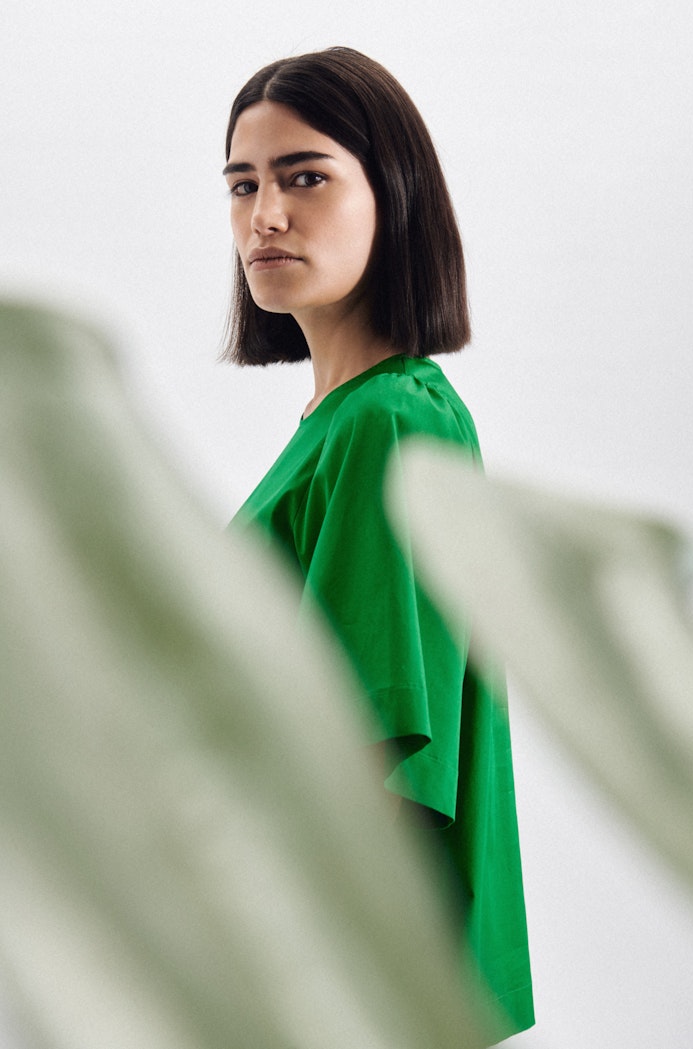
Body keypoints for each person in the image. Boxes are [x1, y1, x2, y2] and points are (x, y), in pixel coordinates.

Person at [224, 47, 534, 1039]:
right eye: (243, 185)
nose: (265, 217)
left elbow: (372, 748)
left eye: (305, 177)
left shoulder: (387, 421)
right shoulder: (352, 419)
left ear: (393, 198)